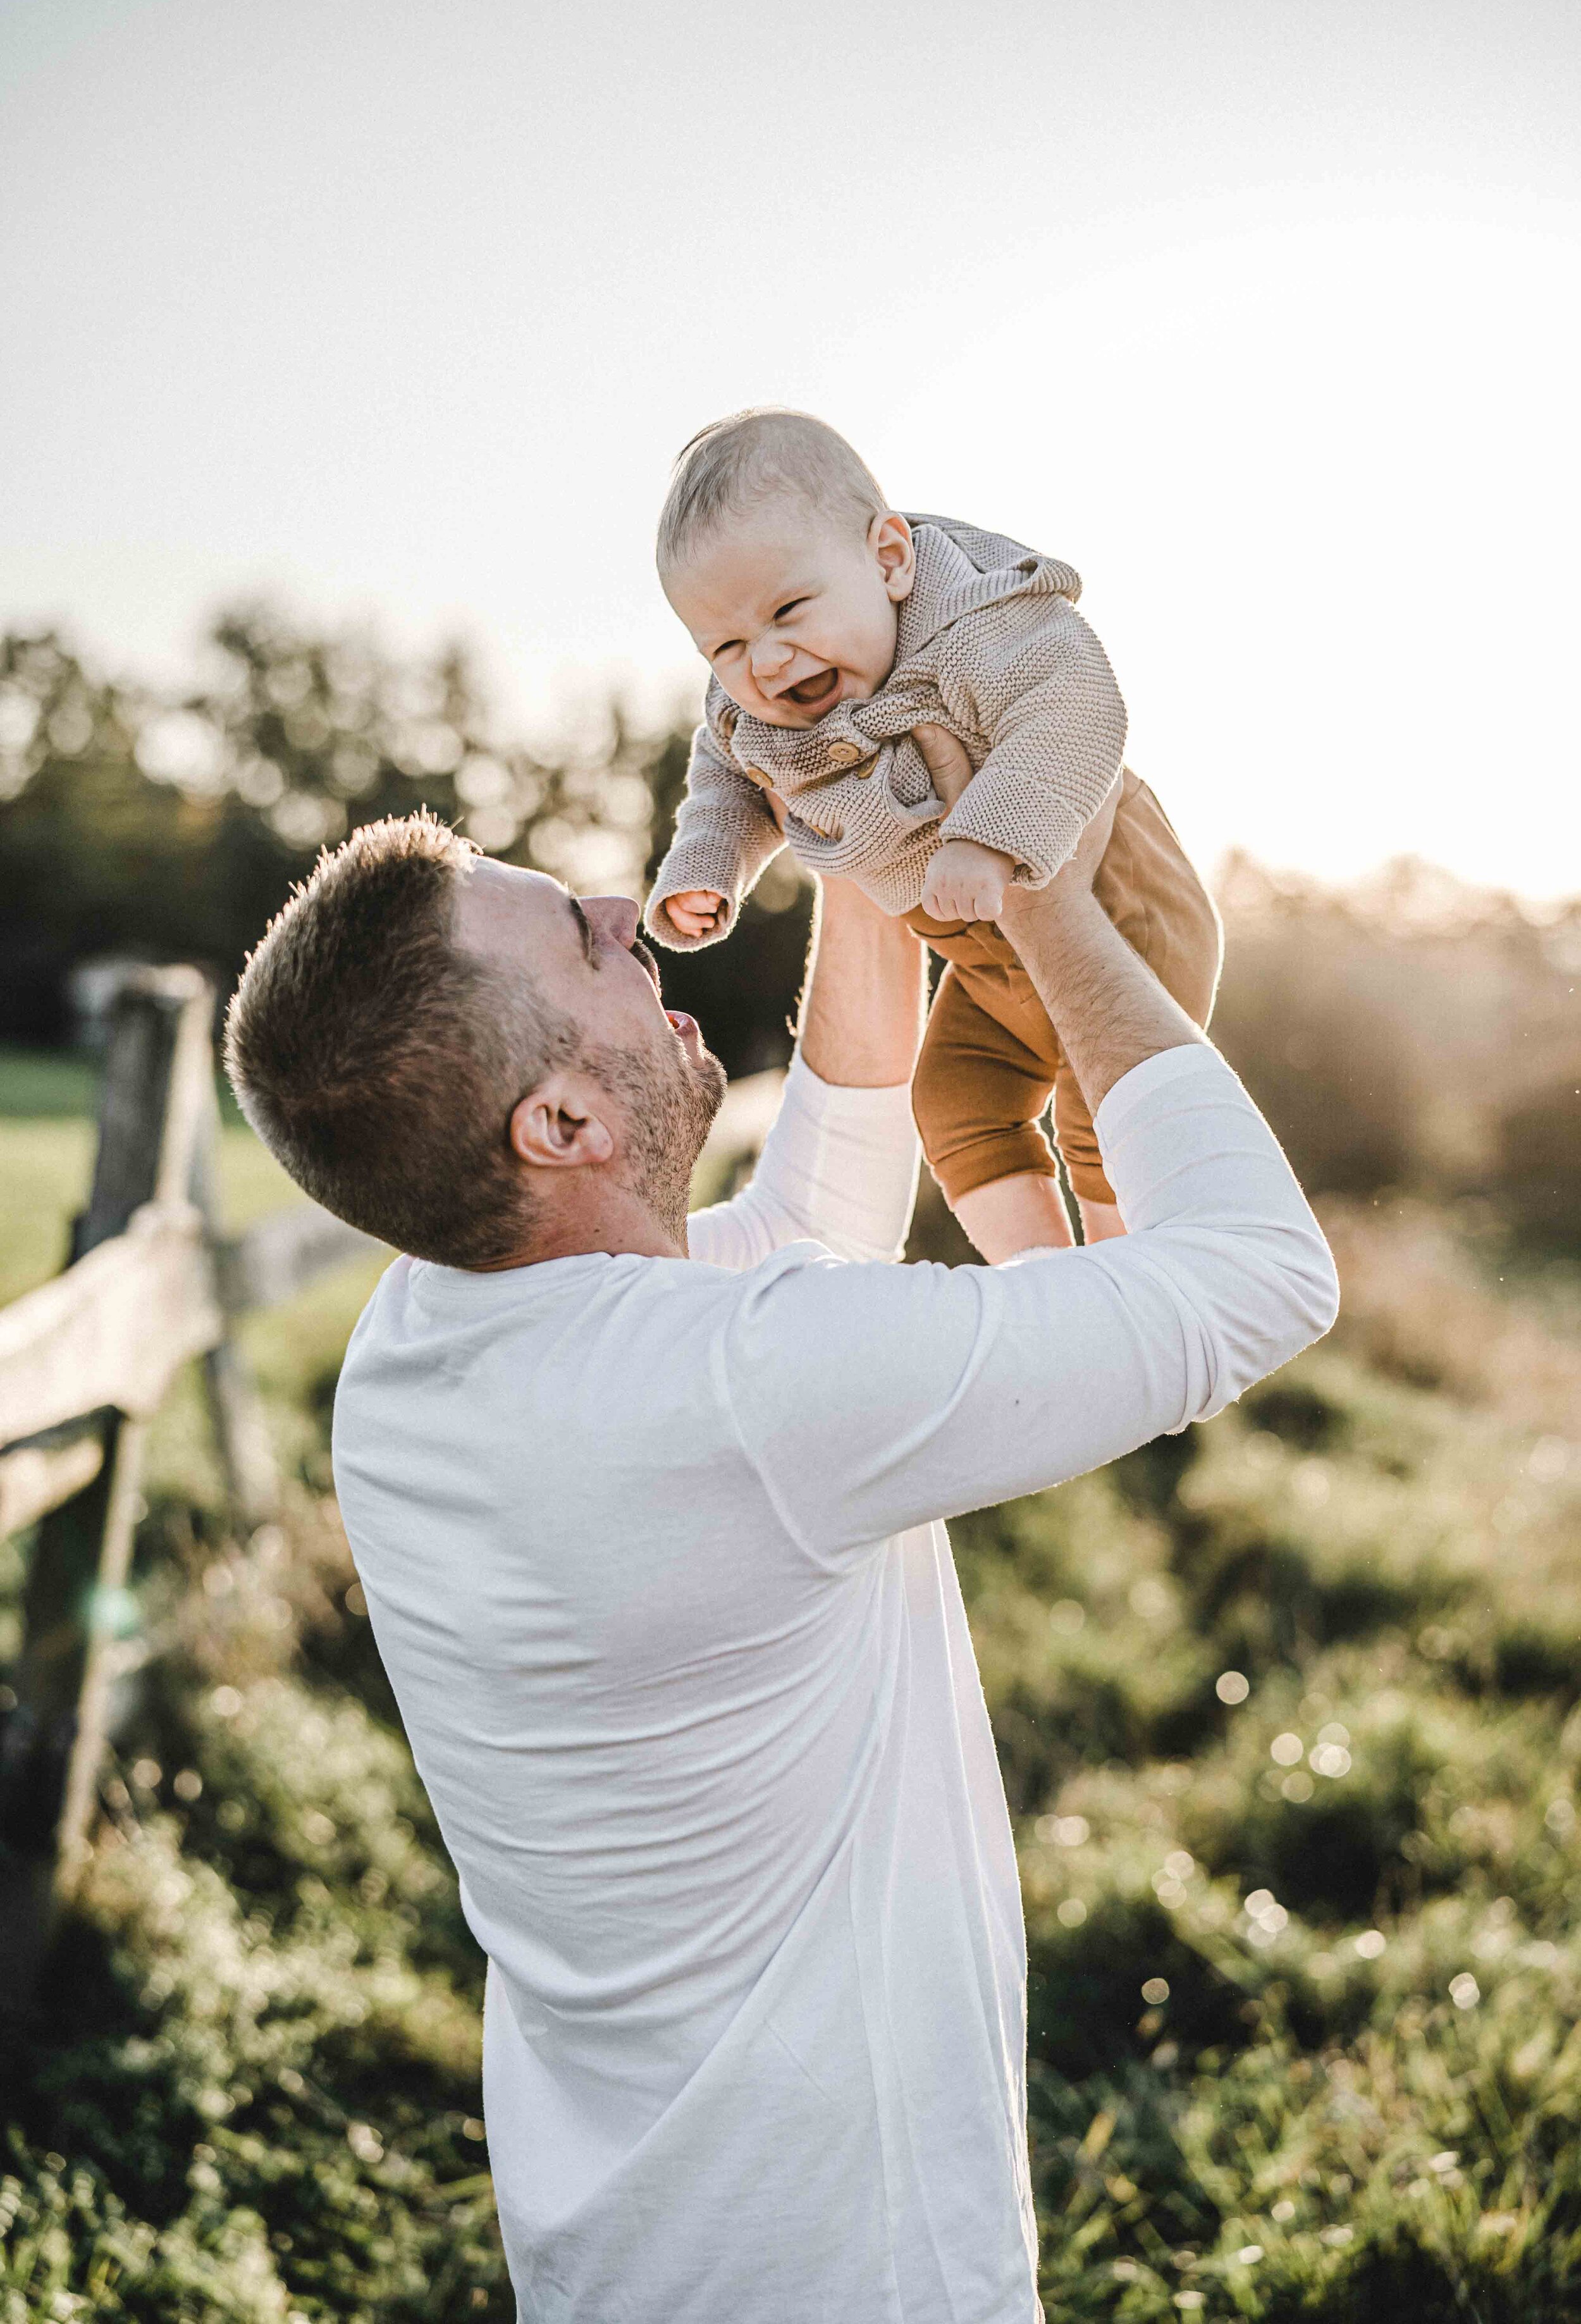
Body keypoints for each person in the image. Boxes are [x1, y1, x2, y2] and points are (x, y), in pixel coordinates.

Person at [223, 797, 1336, 2323]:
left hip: (628, 2249)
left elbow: (818, 1213)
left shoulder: (426, 1337)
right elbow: (1259, 1279)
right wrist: (1052, 904)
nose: (625, 913)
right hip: (850, 2269)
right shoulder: (732, 1389)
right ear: (557, 1126)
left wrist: (857, 829)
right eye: (579, 935)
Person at [645, 407, 1222, 1259]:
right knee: (953, 1099)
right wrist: (708, 864)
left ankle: (1134, 1284)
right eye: (725, 644)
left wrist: (986, 836)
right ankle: (1049, 1284)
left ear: (888, 558)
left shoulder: (975, 626)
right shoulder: (754, 709)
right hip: (987, 959)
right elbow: (727, 777)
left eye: (789, 611)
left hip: (1118, 905)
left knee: (1105, 1110)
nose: (764, 663)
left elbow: (1076, 702)